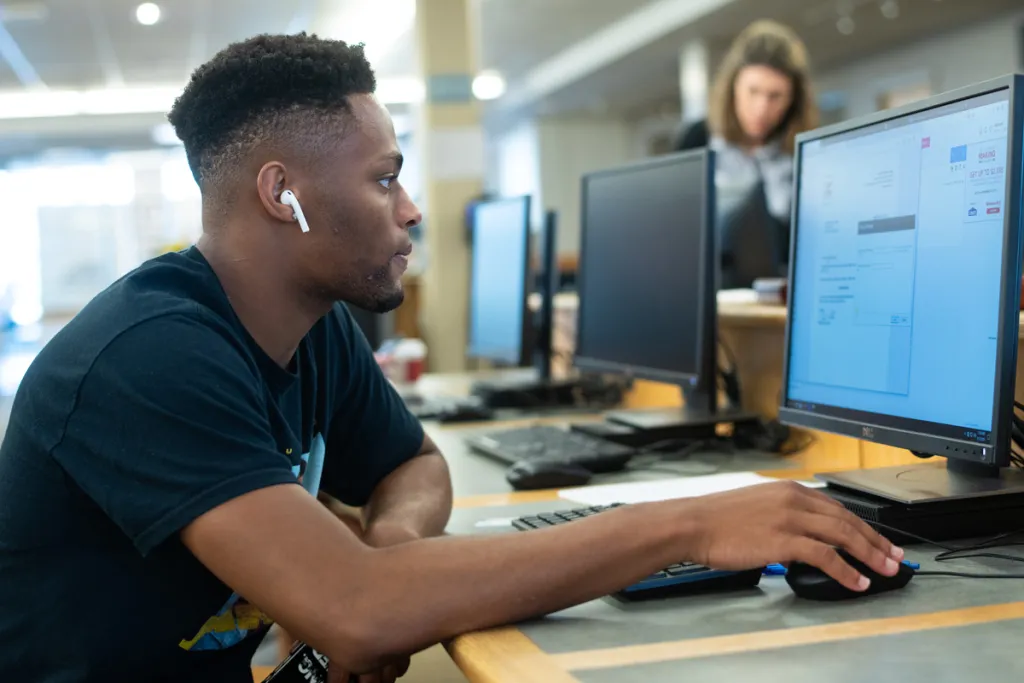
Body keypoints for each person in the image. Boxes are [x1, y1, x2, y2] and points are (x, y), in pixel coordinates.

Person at [0, 33, 903, 683]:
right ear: (285, 195)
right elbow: (357, 610)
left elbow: (413, 464)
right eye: (384, 177)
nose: (412, 210)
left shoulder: (310, 328)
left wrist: (392, 560)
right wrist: (694, 525)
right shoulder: (148, 356)